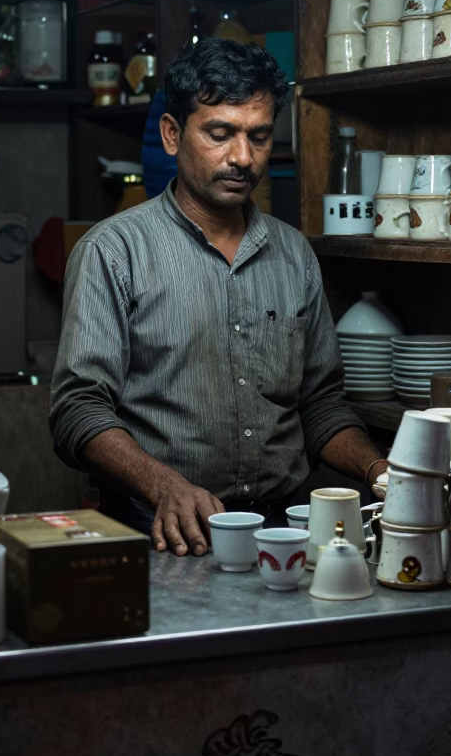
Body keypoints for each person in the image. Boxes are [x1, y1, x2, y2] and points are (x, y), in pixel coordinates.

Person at [50, 38, 388, 556]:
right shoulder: (113, 252)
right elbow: (78, 410)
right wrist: (165, 487)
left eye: (258, 136)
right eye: (219, 134)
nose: (242, 158)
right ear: (171, 134)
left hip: (283, 532)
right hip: (159, 530)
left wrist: (379, 469)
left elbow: (320, 406)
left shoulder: (293, 253)